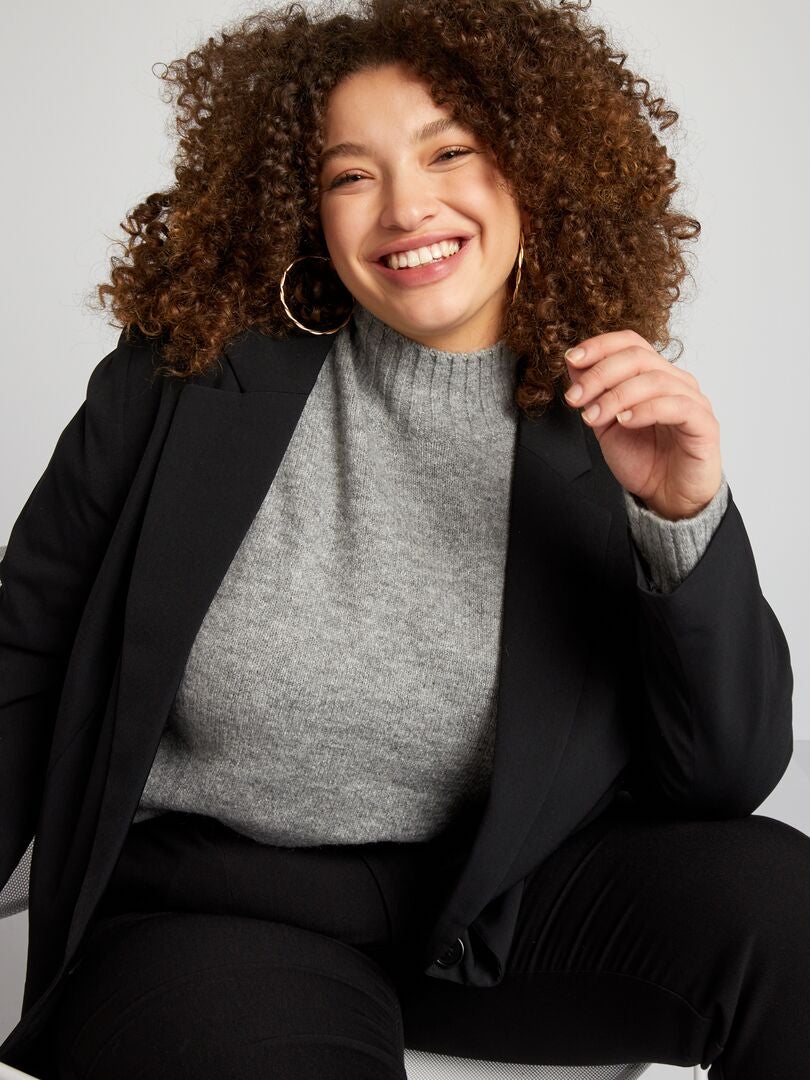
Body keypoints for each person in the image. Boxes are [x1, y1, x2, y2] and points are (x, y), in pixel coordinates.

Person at [0, 0, 807, 1077]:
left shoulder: (610, 416)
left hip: (496, 904)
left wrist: (680, 515)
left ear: (535, 165)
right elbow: (25, 644)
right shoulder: (185, 373)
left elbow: (723, 779)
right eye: (351, 174)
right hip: (217, 914)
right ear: (306, 206)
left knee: (789, 911)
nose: (405, 206)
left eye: (450, 152)